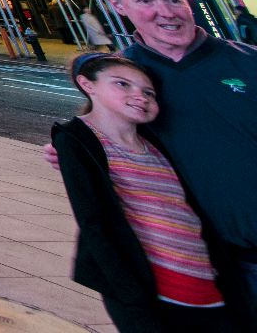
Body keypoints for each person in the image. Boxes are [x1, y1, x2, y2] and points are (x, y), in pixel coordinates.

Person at [58, 0, 257, 298]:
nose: (165, 12)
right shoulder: (125, 79)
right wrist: (70, 149)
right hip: (207, 263)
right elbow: (101, 138)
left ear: (187, 0)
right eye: (145, 1)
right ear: (118, 6)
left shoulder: (247, 61)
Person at [53, 53, 249, 331]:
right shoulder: (78, 139)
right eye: (122, 84)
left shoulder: (157, 142)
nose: (140, 96)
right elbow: (94, 221)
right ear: (87, 84)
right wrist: (130, 295)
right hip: (151, 289)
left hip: (206, 282)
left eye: (149, 93)